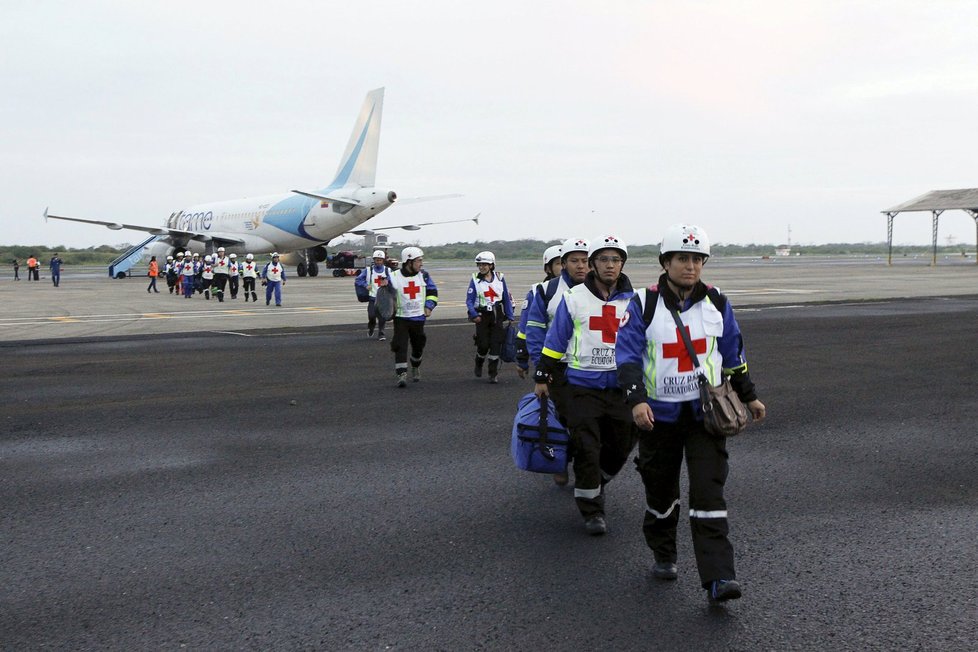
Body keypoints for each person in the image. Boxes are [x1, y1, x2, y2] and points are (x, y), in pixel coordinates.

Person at [616, 223, 766, 603]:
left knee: (708, 494)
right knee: (661, 494)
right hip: (658, 419)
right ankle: (664, 552)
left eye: (697, 259)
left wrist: (749, 397)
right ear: (666, 262)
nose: (691, 266)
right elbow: (629, 357)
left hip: (706, 418)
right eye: (683, 258)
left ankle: (719, 578)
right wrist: (636, 400)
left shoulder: (717, 301)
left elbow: (733, 354)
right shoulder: (643, 303)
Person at [534, 235, 637, 536]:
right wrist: (542, 376)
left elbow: (646, 342)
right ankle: (592, 510)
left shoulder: (635, 301)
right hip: (582, 386)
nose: (610, 265)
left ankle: (597, 480)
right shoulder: (574, 298)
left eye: (615, 259)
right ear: (593, 264)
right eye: (603, 259)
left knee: (620, 448)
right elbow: (556, 341)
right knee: (587, 448)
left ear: (622, 264)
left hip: (621, 388)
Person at [523, 237, 591, 486]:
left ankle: (589, 474)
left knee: (590, 423)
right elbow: (533, 331)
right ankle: (562, 462)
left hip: (591, 368)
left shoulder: (603, 291)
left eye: (585, 261)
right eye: (575, 261)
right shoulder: (546, 291)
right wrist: (540, 370)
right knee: (566, 420)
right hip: (558, 368)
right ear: (563, 264)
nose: (581, 266)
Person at [387, 246, 438, 387]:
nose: (421, 264)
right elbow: (385, 297)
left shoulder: (424, 275)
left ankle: (415, 365)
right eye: (418, 261)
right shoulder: (393, 277)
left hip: (418, 318)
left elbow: (432, 291)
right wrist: (387, 311)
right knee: (399, 345)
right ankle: (401, 374)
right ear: (409, 262)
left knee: (418, 345)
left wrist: (429, 305)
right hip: (401, 318)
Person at [515, 244, 563, 379]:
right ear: (548, 268)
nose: (564, 267)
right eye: (559, 263)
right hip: (550, 360)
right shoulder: (537, 292)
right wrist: (522, 360)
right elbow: (525, 331)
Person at [466, 251, 514, 383]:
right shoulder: (475, 280)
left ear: (491, 265)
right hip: (482, 316)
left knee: (495, 345)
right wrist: (474, 314)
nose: (481, 267)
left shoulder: (500, 278)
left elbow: (506, 298)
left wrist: (510, 314)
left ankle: (493, 373)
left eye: (484, 265)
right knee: (483, 344)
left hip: (497, 314)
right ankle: (479, 362)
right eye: (479, 265)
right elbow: (469, 300)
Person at [354, 250, 390, 340]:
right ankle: (371, 327)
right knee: (372, 316)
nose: (378, 262)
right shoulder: (368, 270)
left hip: (383, 298)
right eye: (377, 260)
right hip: (372, 298)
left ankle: (381, 333)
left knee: (382, 317)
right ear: (374, 260)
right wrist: (366, 285)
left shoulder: (387, 270)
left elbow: (394, 280)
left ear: (383, 260)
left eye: (380, 260)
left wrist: (388, 282)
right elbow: (358, 280)